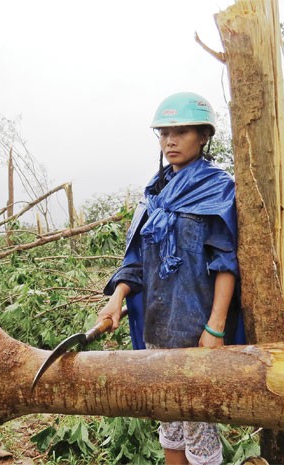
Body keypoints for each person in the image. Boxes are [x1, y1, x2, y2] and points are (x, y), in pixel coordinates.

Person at [98, 92, 241, 465]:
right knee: (169, 424)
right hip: (156, 329)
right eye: (164, 133)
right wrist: (116, 298)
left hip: (195, 330)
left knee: (198, 426)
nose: (170, 141)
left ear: (204, 136)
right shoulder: (154, 193)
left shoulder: (217, 188)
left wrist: (215, 327)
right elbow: (138, 262)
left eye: (181, 132)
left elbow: (225, 263)